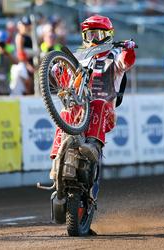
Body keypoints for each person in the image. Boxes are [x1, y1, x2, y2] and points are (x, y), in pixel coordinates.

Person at [49, 15, 136, 180]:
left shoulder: (114, 57)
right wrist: (54, 68)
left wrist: (128, 49)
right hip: (80, 111)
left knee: (98, 103)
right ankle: (57, 160)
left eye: (98, 34)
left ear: (108, 35)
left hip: (105, 112)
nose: (94, 39)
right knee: (66, 111)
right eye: (90, 35)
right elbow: (62, 77)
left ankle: (94, 146)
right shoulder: (79, 58)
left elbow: (126, 62)